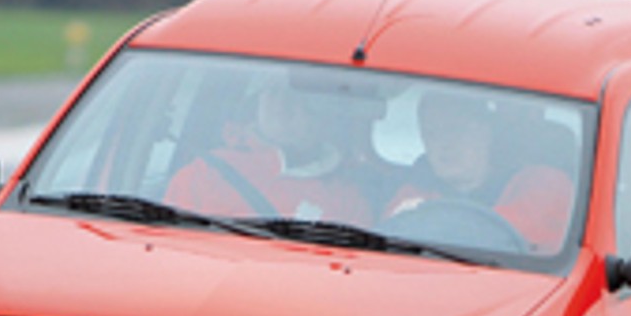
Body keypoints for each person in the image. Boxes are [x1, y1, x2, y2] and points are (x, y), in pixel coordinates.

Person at [384, 91, 572, 251]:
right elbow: (385, 245)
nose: (444, 144)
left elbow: (511, 240)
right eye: (432, 133)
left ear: (486, 131)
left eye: (455, 130)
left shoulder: (543, 184)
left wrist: (424, 221)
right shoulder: (413, 192)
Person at [165, 79, 371, 224]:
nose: (283, 108)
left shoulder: (346, 198)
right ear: (259, 105)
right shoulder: (205, 173)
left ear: (322, 119)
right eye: (275, 94)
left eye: (304, 104)